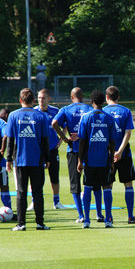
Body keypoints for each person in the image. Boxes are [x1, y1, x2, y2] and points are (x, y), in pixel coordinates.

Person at [6, 88, 51, 231]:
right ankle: (40, 223)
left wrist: (8, 159)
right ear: (33, 101)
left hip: (20, 160)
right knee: (38, 192)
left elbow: (10, 140)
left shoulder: (13, 116)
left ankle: (21, 223)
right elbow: (45, 140)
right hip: (37, 160)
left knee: (21, 192)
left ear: (20, 100)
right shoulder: (41, 116)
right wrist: (47, 158)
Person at [52, 87, 93, 223]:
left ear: (71, 97)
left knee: (75, 184)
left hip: (73, 150)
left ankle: (81, 215)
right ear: (83, 96)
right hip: (88, 150)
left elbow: (54, 123)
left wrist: (64, 138)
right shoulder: (89, 109)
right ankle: (95, 214)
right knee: (90, 183)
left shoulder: (66, 109)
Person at [77, 90, 116, 229]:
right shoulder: (109, 118)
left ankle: (87, 220)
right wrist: (111, 161)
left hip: (90, 161)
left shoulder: (86, 118)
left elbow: (82, 141)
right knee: (106, 188)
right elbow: (112, 142)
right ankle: (108, 220)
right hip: (104, 160)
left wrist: (80, 160)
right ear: (103, 102)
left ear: (92, 102)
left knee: (87, 188)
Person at [103, 86, 135, 224]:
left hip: (107, 155)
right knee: (128, 184)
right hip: (124, 154)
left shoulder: (103, 112)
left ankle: (109, 216)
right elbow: (128, 132)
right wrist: (120, 151)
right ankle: (130, 216)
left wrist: (111, 152)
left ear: (107, 97)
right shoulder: (126, 111)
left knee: (107, 185)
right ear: (118, 97)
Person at [33, 89, 66, 209]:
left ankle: (56, 202)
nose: (41, 100)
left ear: (49, 98)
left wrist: (61, 139)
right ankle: (34, 201)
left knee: (54, 176)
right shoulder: (33, 111)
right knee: (36, 177)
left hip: (52, 149)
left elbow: (65, 125)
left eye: (43, 98)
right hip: (38, 150)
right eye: (39, 98)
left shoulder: (55, 111)